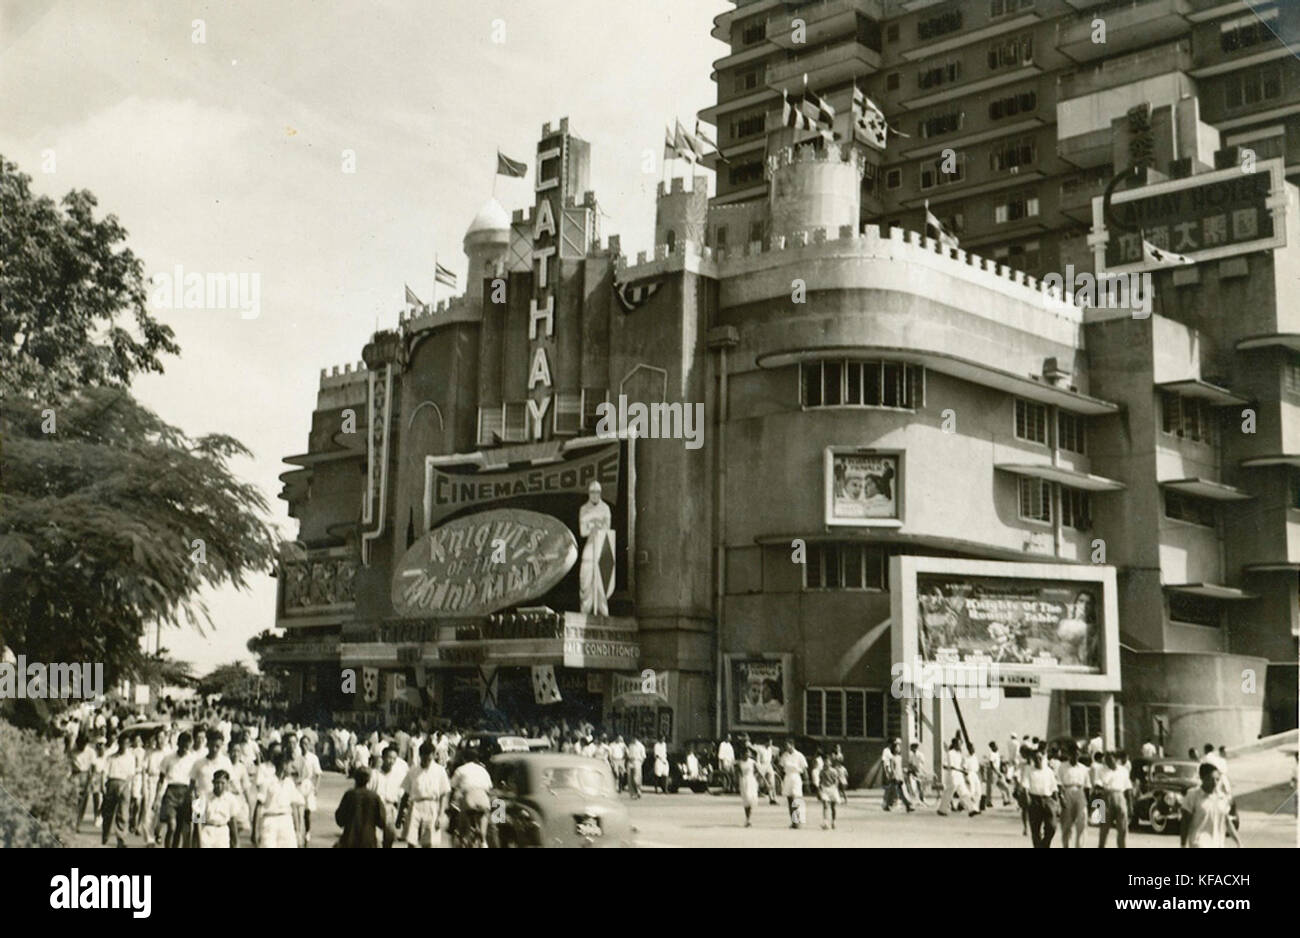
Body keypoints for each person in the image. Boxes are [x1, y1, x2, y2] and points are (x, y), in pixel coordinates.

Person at [397, 741, 450, 848]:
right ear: (420, 756)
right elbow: (406, 795)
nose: (427, 761)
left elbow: (443, 794)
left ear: (434, 756)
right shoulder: (413, 771)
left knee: (429, 842)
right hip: (415, 806)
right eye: (424, 759)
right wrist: (399, 816)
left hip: (432, 806)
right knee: (411, 841)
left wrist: (440, 815)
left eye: (429, 759)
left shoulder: (440, 771)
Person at [1181, 762, 1243, 848]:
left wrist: (1238, 842)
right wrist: (1183, 844)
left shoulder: (1222, 798)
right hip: (1198, 843)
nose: (1215, 783)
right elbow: (1185, 821)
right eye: (1211, 779)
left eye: (1217, 779)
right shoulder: (1193, 795)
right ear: (1203, 778)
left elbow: (1227, 822)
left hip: (1217, 844)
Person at [156, 732, 200, 848]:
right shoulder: (168, 758)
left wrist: (196, 800)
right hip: (171, 793)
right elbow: (161, 779)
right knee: (172, 826)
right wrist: (157, 798)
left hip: (186, 793)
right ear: (178, 743)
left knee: (181, 828)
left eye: (188, 746)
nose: (185, 748)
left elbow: (196, 781)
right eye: (183, 745)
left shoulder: (193, 759)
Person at [253, 753, 304, 848]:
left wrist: (298, 832)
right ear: (283, 765)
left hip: (286, 821)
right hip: (269, 821)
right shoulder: (267, 782)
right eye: (290, 765)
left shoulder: (289, 783)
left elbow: (294, 808)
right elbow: (258, 806)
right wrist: (255, 831)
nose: (292, 769)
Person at [335, 766, 392, 848]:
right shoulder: (374, 797)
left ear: (355, 778)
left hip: (349, 840)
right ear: (368, 780)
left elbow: (339, 819)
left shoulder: (349, 795)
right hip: (369, 840)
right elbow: (382, 821)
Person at [448, 750, 493, 847]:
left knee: (463, 829)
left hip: (469, 799)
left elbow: (452, 787)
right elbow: (489, 788)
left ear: (464, 759)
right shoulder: (483, 770)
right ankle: (484, 841)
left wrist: (450, 803)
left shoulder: (461, 769)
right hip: (483, 799)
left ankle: (464, 840)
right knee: (483, 820)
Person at [101, 735, 135, 848]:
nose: (123, 746)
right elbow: (104, 772)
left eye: (126, 744)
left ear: (129, 744)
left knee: (123, 814)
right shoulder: (111, 757)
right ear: (118, 743)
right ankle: (105, 835)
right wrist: (102, 785)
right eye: (121, 744)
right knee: (108, 812)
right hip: (112, 783)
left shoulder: (130, 758)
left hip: (124, 784)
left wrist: (124, 786)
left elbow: (131, 775)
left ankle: (121, 839)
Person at [196, 770, 242, 849]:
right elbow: (197, 821)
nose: (219, 786)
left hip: (223, 831)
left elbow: (233, 821)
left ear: (227, 783)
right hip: (207, 831)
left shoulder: (231, 799)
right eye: (217, 782)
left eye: (222, 783)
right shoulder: (202, 797)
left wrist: (235, 841)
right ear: (212, 782)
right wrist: (199, 842)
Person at [1025, 751, 1060, 848]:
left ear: (1043, 759)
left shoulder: (1048, 771)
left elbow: (1054, 788)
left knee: (1052, 827)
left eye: (1040, 758)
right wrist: (1028, 800)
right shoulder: (1029, 770)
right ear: (1033, 760)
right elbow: (1025, 787)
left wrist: (1057, 803)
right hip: (1034, 800)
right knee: (1035, 829)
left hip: (1048, 800)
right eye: (1036, 758)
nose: (1038, 760)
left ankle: (1044, 845)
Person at [1096, 753, 1130, 848]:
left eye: (1110, 760)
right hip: (1106, 797)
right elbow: (1097, 786)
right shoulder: (1102, 770)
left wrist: (1130, 805)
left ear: (1115, 759)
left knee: (1123, 828)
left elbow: (1128, 788)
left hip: (1120, 796)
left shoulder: (1123, 770)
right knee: (1104, 828)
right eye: (1107, 761)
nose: (1109, 762)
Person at [1057, 750, 1089, 848]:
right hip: (1067, 791)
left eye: (1077, 755)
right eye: (1073, 754)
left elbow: (1087, 786)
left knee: (1082, 822)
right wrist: (1061, 798)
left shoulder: (1083, 768)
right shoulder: (1062, 766)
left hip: (1080, 792)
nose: (1075, 756)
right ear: (1069, 755)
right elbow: (1058, 784)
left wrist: (1087, 802)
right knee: (1066, 823)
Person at [297, 737, 323, 845]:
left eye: (306, 744)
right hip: (298, 785)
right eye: (302, 743)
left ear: (309, 745)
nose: (304, 746)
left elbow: (318, 774)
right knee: (297, 810)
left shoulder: (313, 758)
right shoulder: (297, 757)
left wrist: (316, 787)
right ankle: (298, 832)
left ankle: (307, 832)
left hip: (308, 785)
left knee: (307, 812)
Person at [779, 740, 808, 829]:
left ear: (792, 745)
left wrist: (806, 781)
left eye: (787, 745)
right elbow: (781, 767)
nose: (786, 747)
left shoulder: (799, 755)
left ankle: (799, 820)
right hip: (788, 777)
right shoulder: (784, 755)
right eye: (785, 746)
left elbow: (805, 769)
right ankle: (793, 822)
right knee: (790, 800)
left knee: (796, 799)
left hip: (796, 777)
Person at [882, 739, 913, 813]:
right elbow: (892, 769)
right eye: (897, 747)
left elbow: (899, 768)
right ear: (894, 749)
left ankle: (908, 805)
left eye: (899, 747)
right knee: (893, 792)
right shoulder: (892, 758)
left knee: (900, 792)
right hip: (895, 778)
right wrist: (894, 776)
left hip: (900, 777)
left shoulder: (899, 758)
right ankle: (887, 805)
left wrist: (903, 772)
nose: (898, 748)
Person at [819, 753, 846, 829]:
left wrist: (835, 787)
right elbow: (820, 781)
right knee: (825, 806)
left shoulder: (834, 771)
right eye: (824, 762)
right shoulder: (821, 771)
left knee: (833, 807)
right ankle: (825, 823)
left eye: (827, 761)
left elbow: (836, 781)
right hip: (825, 789)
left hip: (832, 789)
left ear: (830, 763)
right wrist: (820, 789)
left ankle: (833, 821)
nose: (826, 763)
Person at [737, 745, 759, 827]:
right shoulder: (740, 763)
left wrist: (754, 778)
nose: (748, 754)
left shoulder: (752, 762)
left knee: (750, 799)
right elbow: (738, 773)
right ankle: (747, 818)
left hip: (751, 781)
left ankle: (748, 819)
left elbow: (758, 772)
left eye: (748, 753)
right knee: (746, 800)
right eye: (746, 752)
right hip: (744, 782)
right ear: (742, 754)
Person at [754, 738, 777, 805]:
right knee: (759, 782)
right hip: (762, 765)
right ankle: (754, 797)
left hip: (768, 766)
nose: (770, 744)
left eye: (771, 743)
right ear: (766, 742)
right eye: (769, 743)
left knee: (772, 782)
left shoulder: (770, 749)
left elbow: (770, 759)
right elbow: (758, 760)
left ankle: (772, 798)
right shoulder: (760, 749)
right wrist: (759, 768)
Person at [905, 742, 929, 806]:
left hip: (919, 771)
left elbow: (922, 763)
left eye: (912, 747)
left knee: (920, 785)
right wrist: (910, 769)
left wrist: (917, 768)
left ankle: (922, 798)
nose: (910, 749)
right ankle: (918, 799)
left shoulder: (920, 755)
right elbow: (910, 763)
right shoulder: (911, 755)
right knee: (915, 785)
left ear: (915, 748)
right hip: (913, 771)